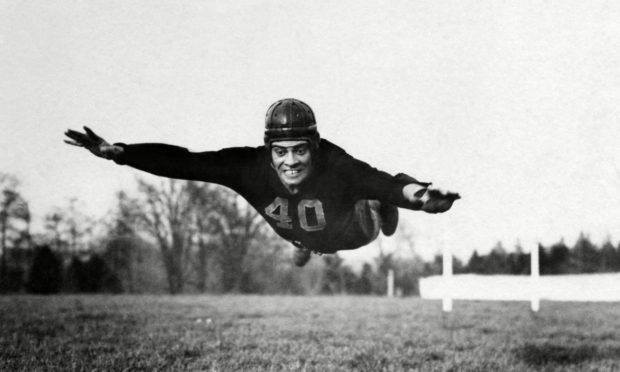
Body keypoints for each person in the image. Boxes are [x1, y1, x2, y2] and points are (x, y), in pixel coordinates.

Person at [65, 98, 460, 267]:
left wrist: (420, 197)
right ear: (269, 151)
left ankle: (374, 209)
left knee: (373, 197)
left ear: (314, 148)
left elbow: (384, 180)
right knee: (301, 238)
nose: (291, 162)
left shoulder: (335, 164)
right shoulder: (248, 167)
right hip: (300, 230)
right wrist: (122, 152)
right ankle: (306, 247)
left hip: (352, 227)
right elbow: (184, 162)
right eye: (281, 152)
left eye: (300, 151)